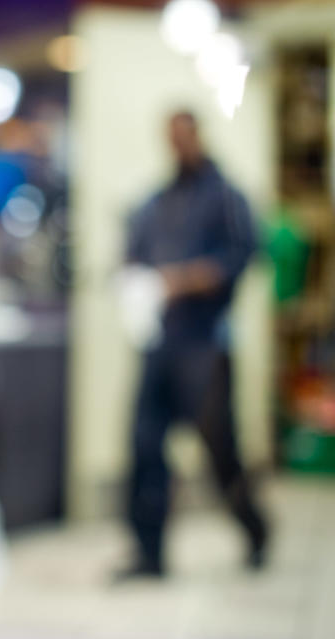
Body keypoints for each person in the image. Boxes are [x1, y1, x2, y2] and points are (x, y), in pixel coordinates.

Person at [119, 110, 268, 579]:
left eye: (184, 135)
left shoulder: (226, 198)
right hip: (161, 343)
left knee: (219, 449)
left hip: (207, 344)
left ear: (197, 135)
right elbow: (134, 256)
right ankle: (149, 552)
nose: (178, 144)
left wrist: (185, 280)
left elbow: (243, 256)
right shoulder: (157, 202)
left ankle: (255, 529)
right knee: (145, 444)